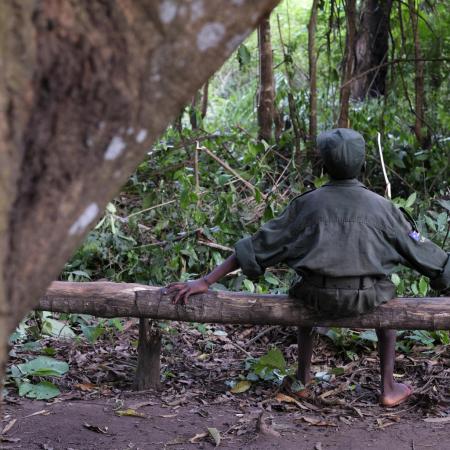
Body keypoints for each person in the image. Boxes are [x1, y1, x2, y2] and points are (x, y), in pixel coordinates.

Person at [165, 128, 450, 407]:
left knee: (300, 291)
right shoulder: (384, 208)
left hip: (315, 297)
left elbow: (258, 246)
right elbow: (424, 253)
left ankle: (302, 380)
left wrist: (206, 280)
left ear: (323, 165)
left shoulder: (307, 205)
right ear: (363, 164)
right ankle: (388, 387)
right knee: (388, 309)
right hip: (367, 298)